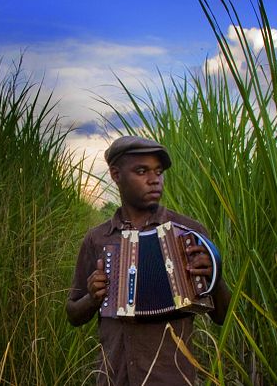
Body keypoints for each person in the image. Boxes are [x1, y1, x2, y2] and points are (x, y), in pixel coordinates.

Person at [66, 135, 232, 385]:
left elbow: (221, 316)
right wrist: (92, 298)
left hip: (172, 377)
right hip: (114, 376)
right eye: (141, 171)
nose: (154, 180)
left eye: (159, 171)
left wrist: (214, 279)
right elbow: (73, 314)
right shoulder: (98, 239)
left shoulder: (188, 232)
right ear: (115, 174)